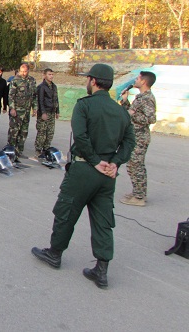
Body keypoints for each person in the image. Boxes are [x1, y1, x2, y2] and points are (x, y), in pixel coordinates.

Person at [31, 63, 135, 289]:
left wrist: (96, 162)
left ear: (94, 81)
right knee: (103, 220)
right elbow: (130, 142)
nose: (87, 82)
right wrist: (115, 163)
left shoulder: (84, 106)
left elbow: (81, 136)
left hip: (85, 169)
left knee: (66, 211)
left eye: (88, 79)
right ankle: (102, 268)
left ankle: (55, 253)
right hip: (108, 175)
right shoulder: (121, 111)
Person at [120, 71, 157, 206]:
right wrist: (125, 101)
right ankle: (138, 192)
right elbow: (131, 112)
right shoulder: (141, 97)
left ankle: (139, 197)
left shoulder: (147, 98)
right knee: (133, 165)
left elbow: (151, 118)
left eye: (137, 78)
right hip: (135, 136)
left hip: (140, 137)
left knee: (137, 166)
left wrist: (132, 114)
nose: (135, 80)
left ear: (143, 82)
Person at [7, 63, 36, 159]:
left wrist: (34, 108)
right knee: (14, 132)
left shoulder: (32, 81)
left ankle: (19, 151)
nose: (23, 73)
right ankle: (10, 151)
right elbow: (11, 96)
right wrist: (12, 108)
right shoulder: (15, 80)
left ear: (28, 71)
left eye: (25, 71)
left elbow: (34, 95)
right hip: (17, 111)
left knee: (24, 132)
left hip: (26, 111)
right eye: (22, 71)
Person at [34, 68, 60, 158]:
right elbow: (40, 100)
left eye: (52, 74)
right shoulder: (41, 87)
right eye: (49, 74)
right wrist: (43, 113)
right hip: (44, 112)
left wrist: (57, 111)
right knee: (42, 132)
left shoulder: (54, 86)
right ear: (44, 75)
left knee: (50, 132)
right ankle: (38, 149)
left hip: (52, 112)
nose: (51, 76)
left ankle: (46, 149)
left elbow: (56, 99)